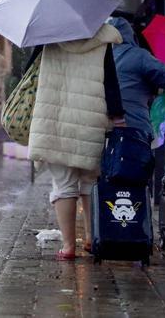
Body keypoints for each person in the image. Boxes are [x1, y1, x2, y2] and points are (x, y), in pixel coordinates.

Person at [28, 22, 126, 260]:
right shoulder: (102, 37)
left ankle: (69, 245)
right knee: (90, 181)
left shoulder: (47, 33)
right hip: (89, 118)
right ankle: (93, 238)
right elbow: (110, 81)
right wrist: (117, 115)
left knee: (63, 184)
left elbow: (30, 72)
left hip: (55, 116)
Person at [108, 17, 165, 137]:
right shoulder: (140, 55)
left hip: (108, 124)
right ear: (130, 35)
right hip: (136, 124)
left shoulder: (104, 57)